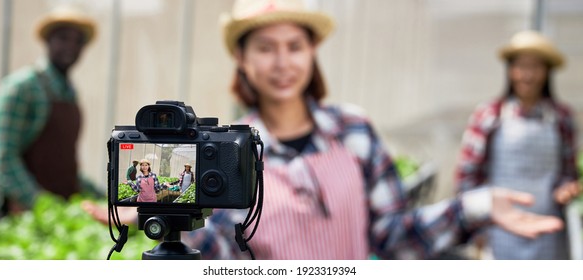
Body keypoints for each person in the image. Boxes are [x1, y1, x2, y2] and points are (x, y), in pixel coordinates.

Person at [82, 0, 564, 260]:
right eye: (265, 48)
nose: (282, 62)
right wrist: (167, 217)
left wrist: (475, 206)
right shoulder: (231, 150)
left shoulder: (353, 131)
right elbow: (230, 253)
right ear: (243, 60)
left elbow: (393, 235)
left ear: (312, 54)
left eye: (295, 46)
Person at [455, 30, 581, 259]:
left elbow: (567, 172)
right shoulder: (489, 115)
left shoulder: (562, 118)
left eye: (536, 67)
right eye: (521, 67)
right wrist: (476, 229)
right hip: (499, 230)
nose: (528, 75)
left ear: (547, 72)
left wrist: (565, 188)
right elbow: (467, 177)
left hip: (548, 229)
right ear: (510, 71)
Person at [0, 4, 103, 218]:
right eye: (63, 37)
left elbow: (64, 165)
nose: (71, 46)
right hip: (23, 218)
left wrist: (104, 199)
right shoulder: (21, 88)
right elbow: (4, 160)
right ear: (48, 40)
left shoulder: (69, 93)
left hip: (62, 212)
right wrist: (44, 207)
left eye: (78, 41)